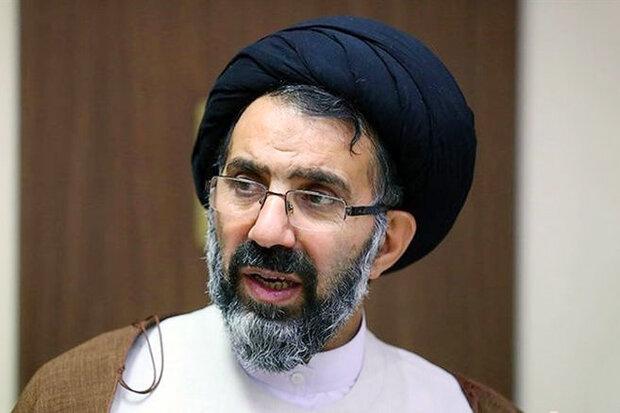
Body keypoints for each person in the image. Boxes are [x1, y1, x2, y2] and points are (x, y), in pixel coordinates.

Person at [14, 16, 519, 412]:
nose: (268, 230)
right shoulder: (85, 395)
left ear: (386, 243)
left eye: (317, 196)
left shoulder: (453, 405)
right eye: (245, 184)